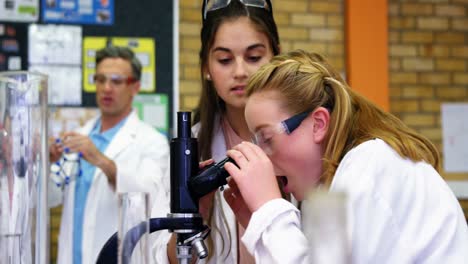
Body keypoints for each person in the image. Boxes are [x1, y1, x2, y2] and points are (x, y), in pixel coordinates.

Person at [221, 49, 468, 263]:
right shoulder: (331, 187)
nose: (263, 158)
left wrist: (270, 211)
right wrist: (261, 224)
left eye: (266, 138)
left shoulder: (370, 166)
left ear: (318, 124)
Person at [152, 0, 280, 263]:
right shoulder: (188, 151)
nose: (240, 71)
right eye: (224, 59)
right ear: (206, 68)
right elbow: (156, 255)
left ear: (275, 57)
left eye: (254, 57)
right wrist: (189, 220)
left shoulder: (299, 140)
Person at [48, 46, 170, 264]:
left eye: (116, 80)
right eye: (101, 79)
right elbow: (52, 197)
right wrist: (48, 162)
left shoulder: (152, 142)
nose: (106, 88)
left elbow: (152, 198)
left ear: (135, 87)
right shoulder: (80, 136)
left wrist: (102, 161)